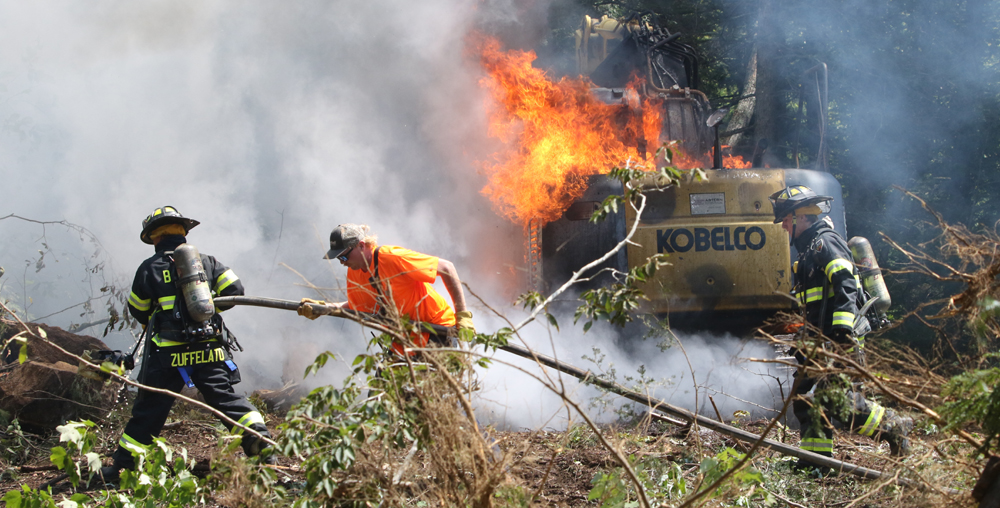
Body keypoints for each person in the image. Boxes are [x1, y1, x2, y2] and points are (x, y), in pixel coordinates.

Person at [101, 206, 272, 482]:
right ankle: (264, 449)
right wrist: (205, 308)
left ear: (155, 238)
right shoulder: (207, 262)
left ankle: (123, 469)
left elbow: (137, 309)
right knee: (227, 401)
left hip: (167, 356)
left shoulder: (149, 268)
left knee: (149, 411)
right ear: (182, 233)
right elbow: (235, 291)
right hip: (209, 349)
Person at [769, 186, 911, 471]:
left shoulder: (826, 243)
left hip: (837, 339)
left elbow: (845, 285)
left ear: (801, 217)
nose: (784, 226)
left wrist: (842, 333)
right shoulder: (808, 251)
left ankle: (892, 425)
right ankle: (816, 463)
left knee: (839, 404)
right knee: (804, 401)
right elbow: (815, 305)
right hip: (817, 341)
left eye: (786, 220)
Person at [297, 224, 475, 354]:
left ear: (360, 245)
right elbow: (356, 307)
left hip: (435, 330)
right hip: (404, 340)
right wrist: (325, 308)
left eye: (344, 257)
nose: (342, 263)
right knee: (382, 397)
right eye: (338, 259)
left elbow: (446, 268)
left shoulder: (392, 257)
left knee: (427, 399)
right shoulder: (355, 272)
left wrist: (463, 316)